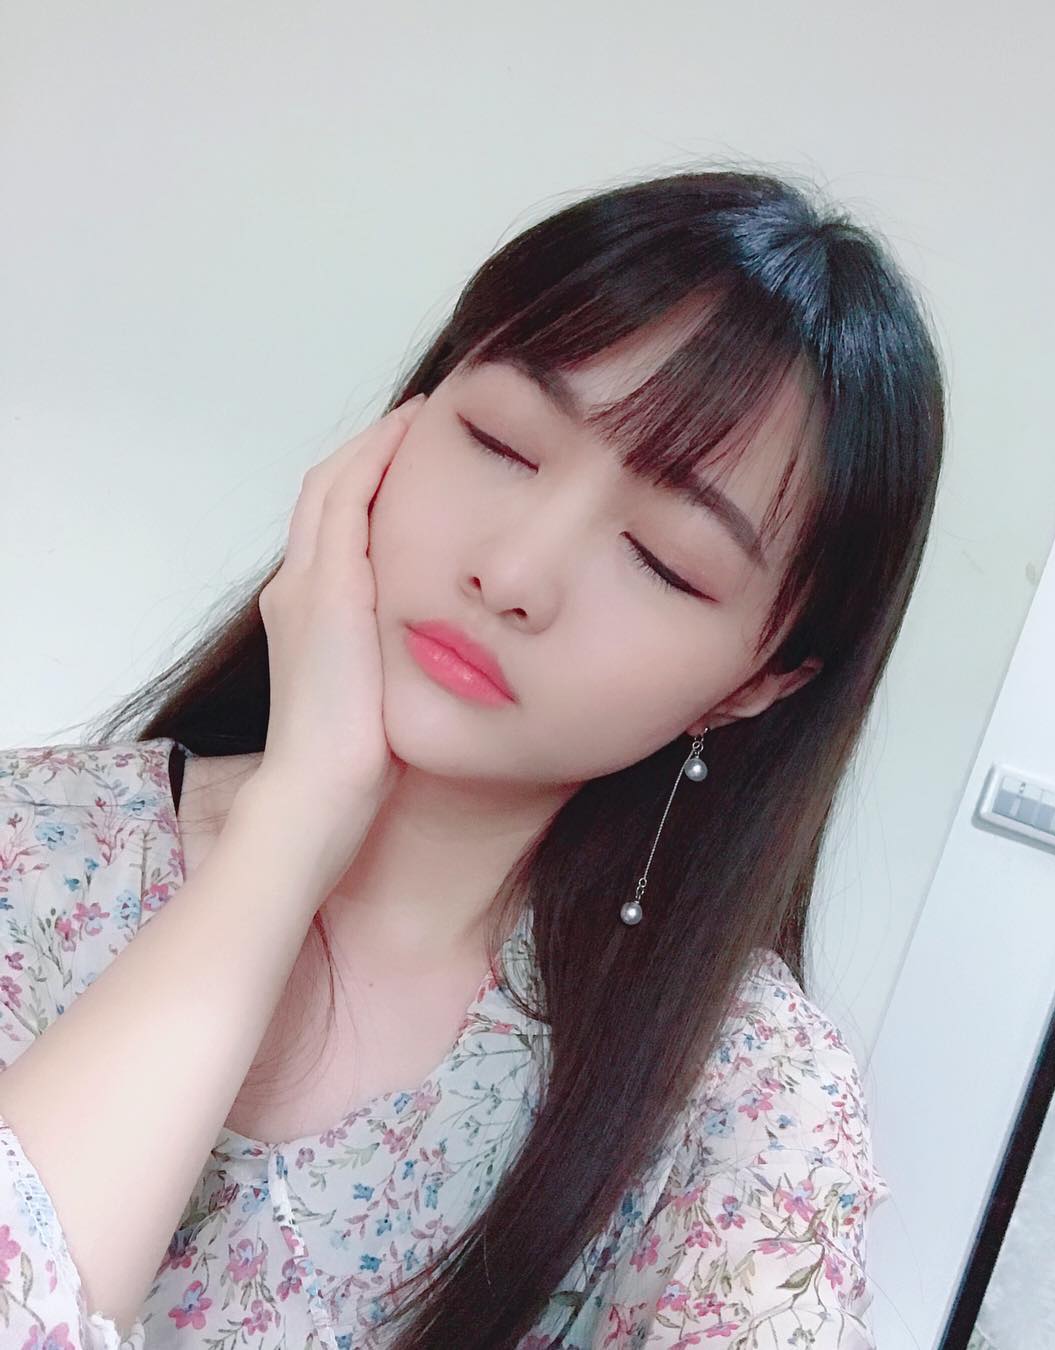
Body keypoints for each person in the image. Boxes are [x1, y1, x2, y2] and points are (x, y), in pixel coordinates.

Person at [0, 166, 945, 1349]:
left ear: (756, 685)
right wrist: (291, 829)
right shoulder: (31, 852)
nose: (514, 573)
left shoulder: (749, 1105)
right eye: (502, 442)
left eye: (663, 560)